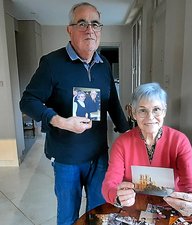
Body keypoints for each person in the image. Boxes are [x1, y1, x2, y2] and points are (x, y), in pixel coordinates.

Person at [19, 2, 129, 225]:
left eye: (95, 24)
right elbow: (27, 102)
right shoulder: (51, 63)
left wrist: (129, 135)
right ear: (69, 29)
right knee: (68, 217)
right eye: (82, 23)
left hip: (99, 155)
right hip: (66, 157)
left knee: (99, 213)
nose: (90, 29)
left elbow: (113, 104)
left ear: (100, 30)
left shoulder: (104, 64)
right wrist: (60, 121)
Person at [102, 82, 192, 217]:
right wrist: (117, 196)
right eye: (142, 110)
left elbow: (191, 183)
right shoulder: (122, 143)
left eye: (156, 109)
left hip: (171, 208)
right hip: (133, 208)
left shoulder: (180, 141)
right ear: (133, 113)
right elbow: (109, 184)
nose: (150, 117)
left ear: (164, 111)